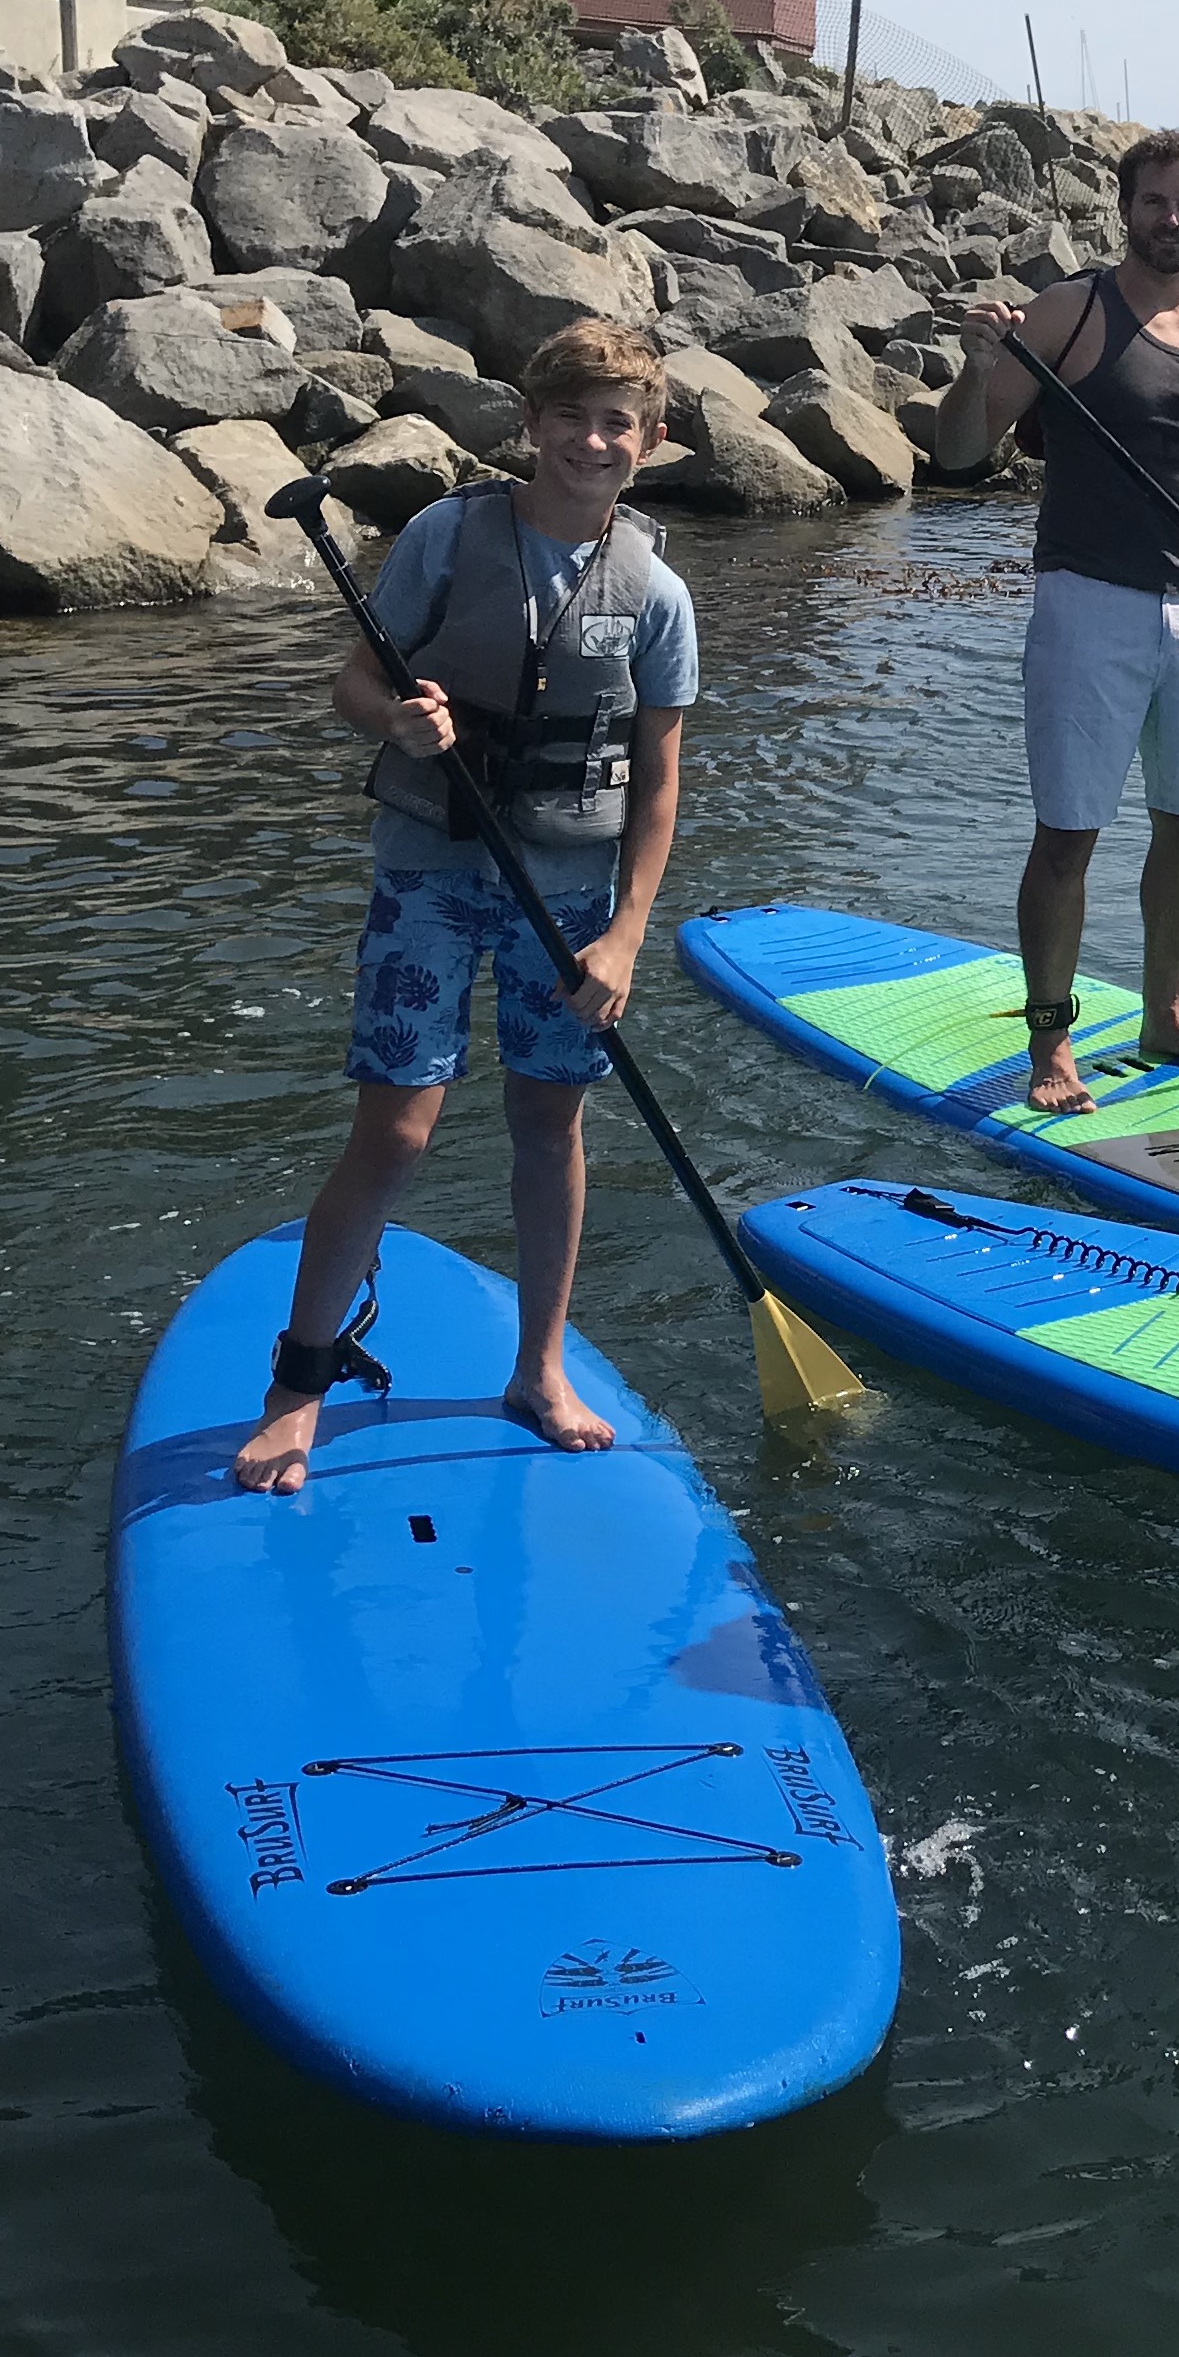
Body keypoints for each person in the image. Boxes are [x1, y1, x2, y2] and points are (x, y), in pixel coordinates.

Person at [231, 317, 696, 1495]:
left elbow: (658, 783)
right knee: (397, 1129)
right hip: (432, 873)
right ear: (531, 426)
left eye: (617, 424)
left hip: (572, 898)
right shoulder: (448, 537)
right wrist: (394, 720)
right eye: (572, 418)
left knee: (552, 1123)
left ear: (645, 444)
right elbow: (352, 676)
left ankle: (539, 1369)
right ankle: (298, 1382)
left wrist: (628, 935)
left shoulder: (658, 594)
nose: (592, 441)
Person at [930, 126, 1179, 1114]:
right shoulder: (1069, 311)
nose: (1173, 220)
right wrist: (974, 366)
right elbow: (961, 456)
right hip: (1088, 603)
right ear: (1124, 207)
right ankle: (1052, 1043)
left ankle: (1162, 1013)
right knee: (1069, 837)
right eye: (1155, 202)